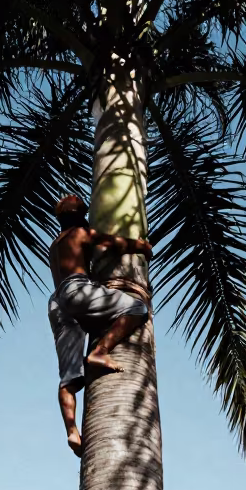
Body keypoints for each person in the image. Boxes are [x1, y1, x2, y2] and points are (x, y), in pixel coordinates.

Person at [48, 194, 152, 458]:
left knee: (68, 376)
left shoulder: (55, 244)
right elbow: (110, 242)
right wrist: (139, 246)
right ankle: (101, 351)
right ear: (80, 214)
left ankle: (72, 430)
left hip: (57, 301)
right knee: (138, 308)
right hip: (77, 290)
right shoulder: (80, 232)